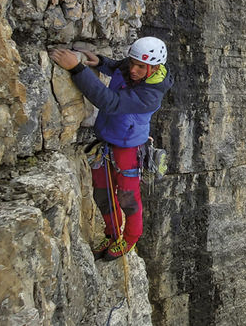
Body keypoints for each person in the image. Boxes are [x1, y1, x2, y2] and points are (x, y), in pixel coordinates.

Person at [49, 37, 173, 261]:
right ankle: (112, 232)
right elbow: (119, 66)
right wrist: (100, 62)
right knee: (102, 191)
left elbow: (110, 102)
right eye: (133, 62)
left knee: (127, 196)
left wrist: (76, 68)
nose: (133, 69)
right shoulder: (133, 66)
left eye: (140, 67)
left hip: (128, 147)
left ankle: (131, 237)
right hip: (107, 139)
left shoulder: (150, 95)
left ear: (154, 68)